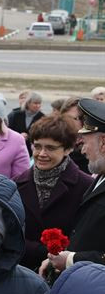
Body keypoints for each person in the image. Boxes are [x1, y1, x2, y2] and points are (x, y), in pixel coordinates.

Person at [15, 115, 93, 271]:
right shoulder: (16, 183)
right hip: (20, 271)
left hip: (64, 273)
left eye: (50, 148)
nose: (41, 153)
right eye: (37, 146)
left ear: (68, 149)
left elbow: (85, 237)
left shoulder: (86, 186)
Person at [43, 98, 105, 273]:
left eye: (85, 143)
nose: (83, 150)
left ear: (103, 143)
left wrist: (71, 259)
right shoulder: (100, 177)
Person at [60, 96, 90, 173]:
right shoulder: (57, 137)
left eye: (72, 118)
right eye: (64, 117)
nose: (66, 122)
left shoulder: (92, 144)